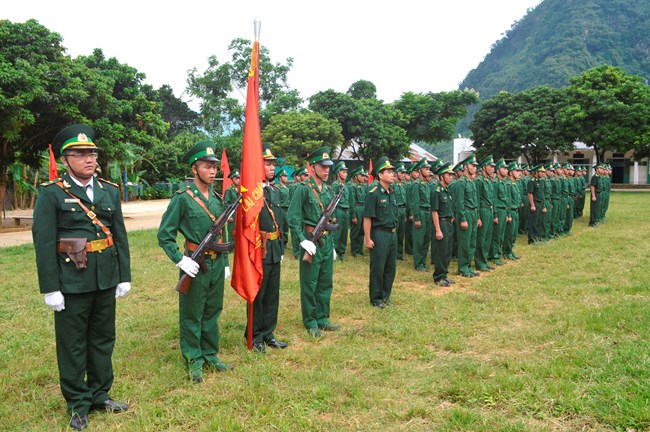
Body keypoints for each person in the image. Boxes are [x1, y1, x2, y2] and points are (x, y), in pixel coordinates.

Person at [32, 124, 131, 430]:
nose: (89, 159)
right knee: (73, 344)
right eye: (80, 154)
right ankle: (78, 403)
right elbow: (44, 241)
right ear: (66, 159)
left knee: (103, 340)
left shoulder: (109, 191)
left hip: (104, 278)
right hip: (71, 281)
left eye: (92, 153)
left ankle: (100, 394)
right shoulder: (52, 194)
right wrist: (51, 288)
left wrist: (123, 275)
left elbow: (119, 236)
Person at [157, 140, 233, 384]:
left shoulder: (219, 199)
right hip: (194, 264)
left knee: (212, 310)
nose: (212, 171)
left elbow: (222, 234)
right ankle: (193, 359)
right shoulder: (182, 199)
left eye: (214, 167)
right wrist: (180, 260)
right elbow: (165, 235)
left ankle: (210, 354)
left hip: (216, 262)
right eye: (206, 166)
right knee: (192, 313)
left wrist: (226, 261)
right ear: (194, 169)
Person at [286, 146, 341, 338]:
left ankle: (323, 317)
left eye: (328, 167)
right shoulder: (303, 189)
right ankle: (310, 321)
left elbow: (329, 220)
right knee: (310, 283)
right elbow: (292, 217)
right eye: (323, 166)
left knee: (326, 282)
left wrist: (332, 245)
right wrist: (302, 241)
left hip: (326, 242)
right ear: (313, 167)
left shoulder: (328, 190)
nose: (327, 170)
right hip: (311, 241)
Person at [246, 144, 287, 353]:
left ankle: (268, 332)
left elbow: (280, 222)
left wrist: (281, 248)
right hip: (258, 250)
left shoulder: (275, 191)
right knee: (258, 294)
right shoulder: (251, 193)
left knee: (272, 293)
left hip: (273, 249)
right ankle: (255, 336)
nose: (272, 168)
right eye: (267, 164)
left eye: (273, 164)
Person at [363, 157, 398, 308]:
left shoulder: (392, 192)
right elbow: (367, 218)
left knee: (390, 267)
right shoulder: (374, 193)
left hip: (392, 234)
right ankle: (376, 298)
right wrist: (368, 238)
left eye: (392, 172)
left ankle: (386, 296)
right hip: (379, 233)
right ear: (380, 175)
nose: (392, 174)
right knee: (378, 267)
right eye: (389, 172)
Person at [453, 154, 480, 277]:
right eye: (472, 166)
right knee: (464, 242)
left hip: (473, 213)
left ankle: (468, 265)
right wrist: (463, 219)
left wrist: (478, 216)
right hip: (466, 214)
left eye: (475, 166)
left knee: (472, 242)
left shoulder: (472, 182)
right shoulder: (461, 183)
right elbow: (459, 203)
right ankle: (463, 267)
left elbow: (476, 201)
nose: (475, 168)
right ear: (465, 167)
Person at [431, 162, 456, 286]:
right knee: (441, 251)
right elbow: (434, 211)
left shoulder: (446, 190)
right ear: (442, 176)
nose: (451, 177)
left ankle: (444, 274)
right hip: (441, 223)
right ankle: (438, 277)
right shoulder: (437, 191)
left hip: (449, 223)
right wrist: (437, 229)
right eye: (448, 175)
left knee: (447, 251)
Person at [409, 158, 432, 271]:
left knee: (426, 239)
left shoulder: (426, 184)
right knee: (419, 240)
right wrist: (417, 218)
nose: (428, 170)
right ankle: (418, 263)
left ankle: (423, 262)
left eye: (428, 169)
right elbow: (415, 202)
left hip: (428, 212)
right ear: (420, 170)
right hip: (421, 213)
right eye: (426, 168)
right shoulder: (416, 185)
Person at [474, 155, 496, 272]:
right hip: (482, 210)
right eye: (490, 166)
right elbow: (476, 199)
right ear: (484, 167)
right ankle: (479, 262)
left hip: (490, 210)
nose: (492, 168)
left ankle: (484, 260)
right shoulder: (479, 181)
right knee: (481, 237)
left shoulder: (489, 180)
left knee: (488, 237)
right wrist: (478, 217)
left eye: (493, 166)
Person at [331, 161, 351, 261]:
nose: (345, 174)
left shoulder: (345, 186)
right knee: (337, 233)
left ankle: (341, 252)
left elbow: (349, 200)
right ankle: (334, 251)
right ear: (338, 173)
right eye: (343, 172)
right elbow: (333, 201)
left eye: (346, 172)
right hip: (338, 211)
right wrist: (333, 215)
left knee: (344, 233)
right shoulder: (335, 185)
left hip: (346, 211)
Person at [503, 162, 522, 260]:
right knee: (509, 233)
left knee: (514, 233)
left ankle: (510, 250)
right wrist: (508, 214)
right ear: (511, 173)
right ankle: (507, 251)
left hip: (516, 211)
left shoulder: (515, 184)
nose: (519, 173)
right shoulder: (508, 184)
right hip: (511, 211)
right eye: (517, 171)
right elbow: (508, 201)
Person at [349, 166, 368, 257]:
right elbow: (352, 201)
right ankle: (354, 251)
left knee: (362, 230)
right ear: (356, 176)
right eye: (361, 175)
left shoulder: (363, 186)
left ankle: (360, 250)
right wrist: (353, 215)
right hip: (356, 209)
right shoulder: (352, 186)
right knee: (355, 231)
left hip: (363, 209)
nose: (363, 177)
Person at [527, 164, 547, 245]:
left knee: (539, 221)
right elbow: (530, 193)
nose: (543, 173)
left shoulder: (541, 181)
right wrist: (532, 205)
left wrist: (543, 206)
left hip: (540, 203)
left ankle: (537, 237)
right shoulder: (532, 181)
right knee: (533, 222)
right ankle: (531, 239)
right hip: (535, 203)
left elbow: (542, 195)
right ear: (536, 172)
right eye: (541, 172)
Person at [392, 163, 408, 261]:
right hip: (396, 209)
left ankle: (400, 254)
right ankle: (394, 254)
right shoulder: (392, 185)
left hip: (403, 209)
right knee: (395, 233)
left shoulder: (404, 185)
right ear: (396, 173)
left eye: (404, 173)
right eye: (401, 173)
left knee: (402, 233)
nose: (403, 175)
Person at [223, 169, 240, 243]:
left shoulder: (241, 189)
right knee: (232, 231)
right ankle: (231, 247)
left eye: (239, 178)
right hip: (233, 214)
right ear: (232, 179)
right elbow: (226, 203)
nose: (238, 180)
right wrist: (229, 216)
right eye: (236, 178)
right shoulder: (229, 190)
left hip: (240, 213)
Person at [276, 168, 291, 249]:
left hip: (287, 209)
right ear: (280, 178)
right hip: (281, 209)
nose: (286, 178)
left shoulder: (287, 188)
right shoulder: (278, 188)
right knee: (280, 227)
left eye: (286, 176)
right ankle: (280, 243)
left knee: (286, 227)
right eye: (284, 176)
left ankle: (284, 243)